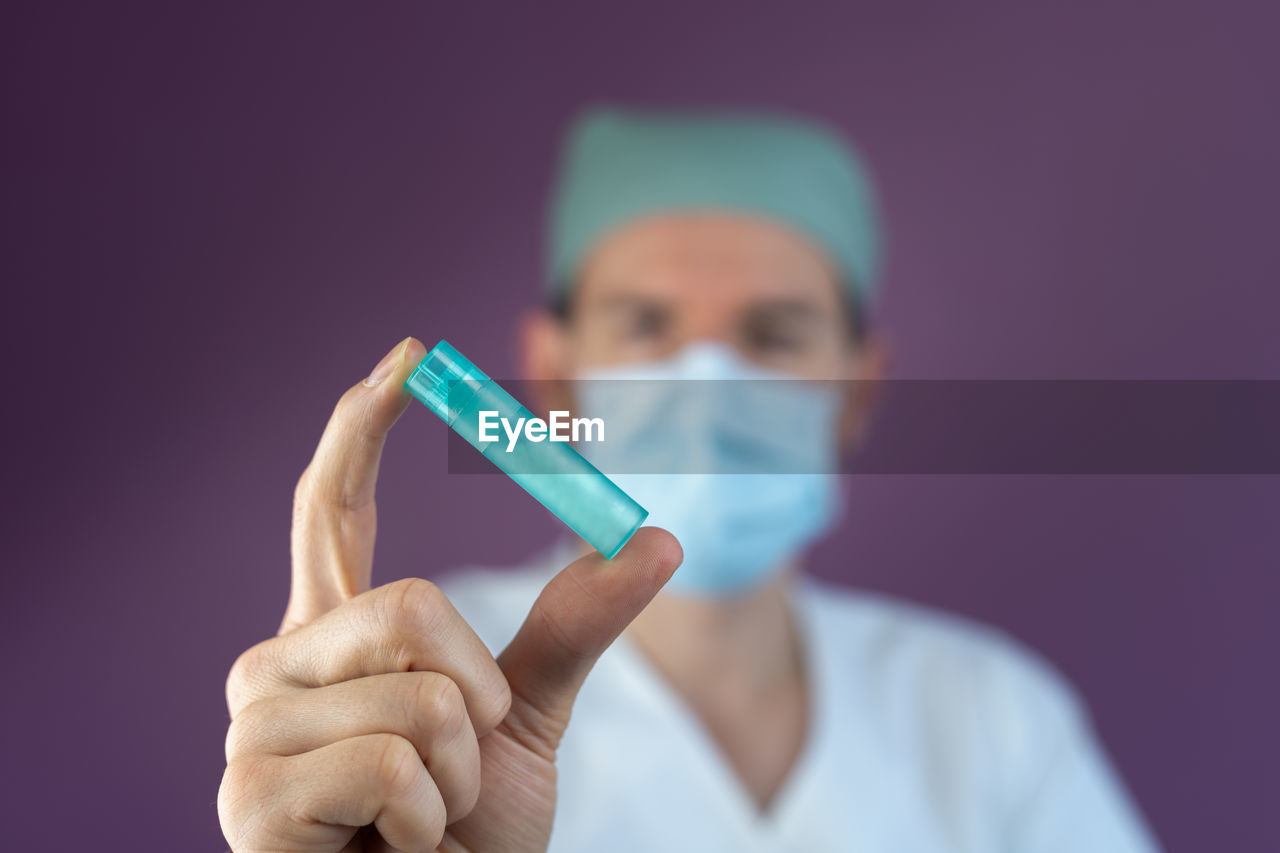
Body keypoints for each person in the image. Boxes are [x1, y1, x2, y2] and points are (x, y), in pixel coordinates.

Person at [218, 107, 1161, 852]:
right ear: (553, 380)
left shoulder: (988, 713)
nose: (705, 385)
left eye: (774, 333)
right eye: (645, 327)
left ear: (856, 391)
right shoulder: (411, 695)